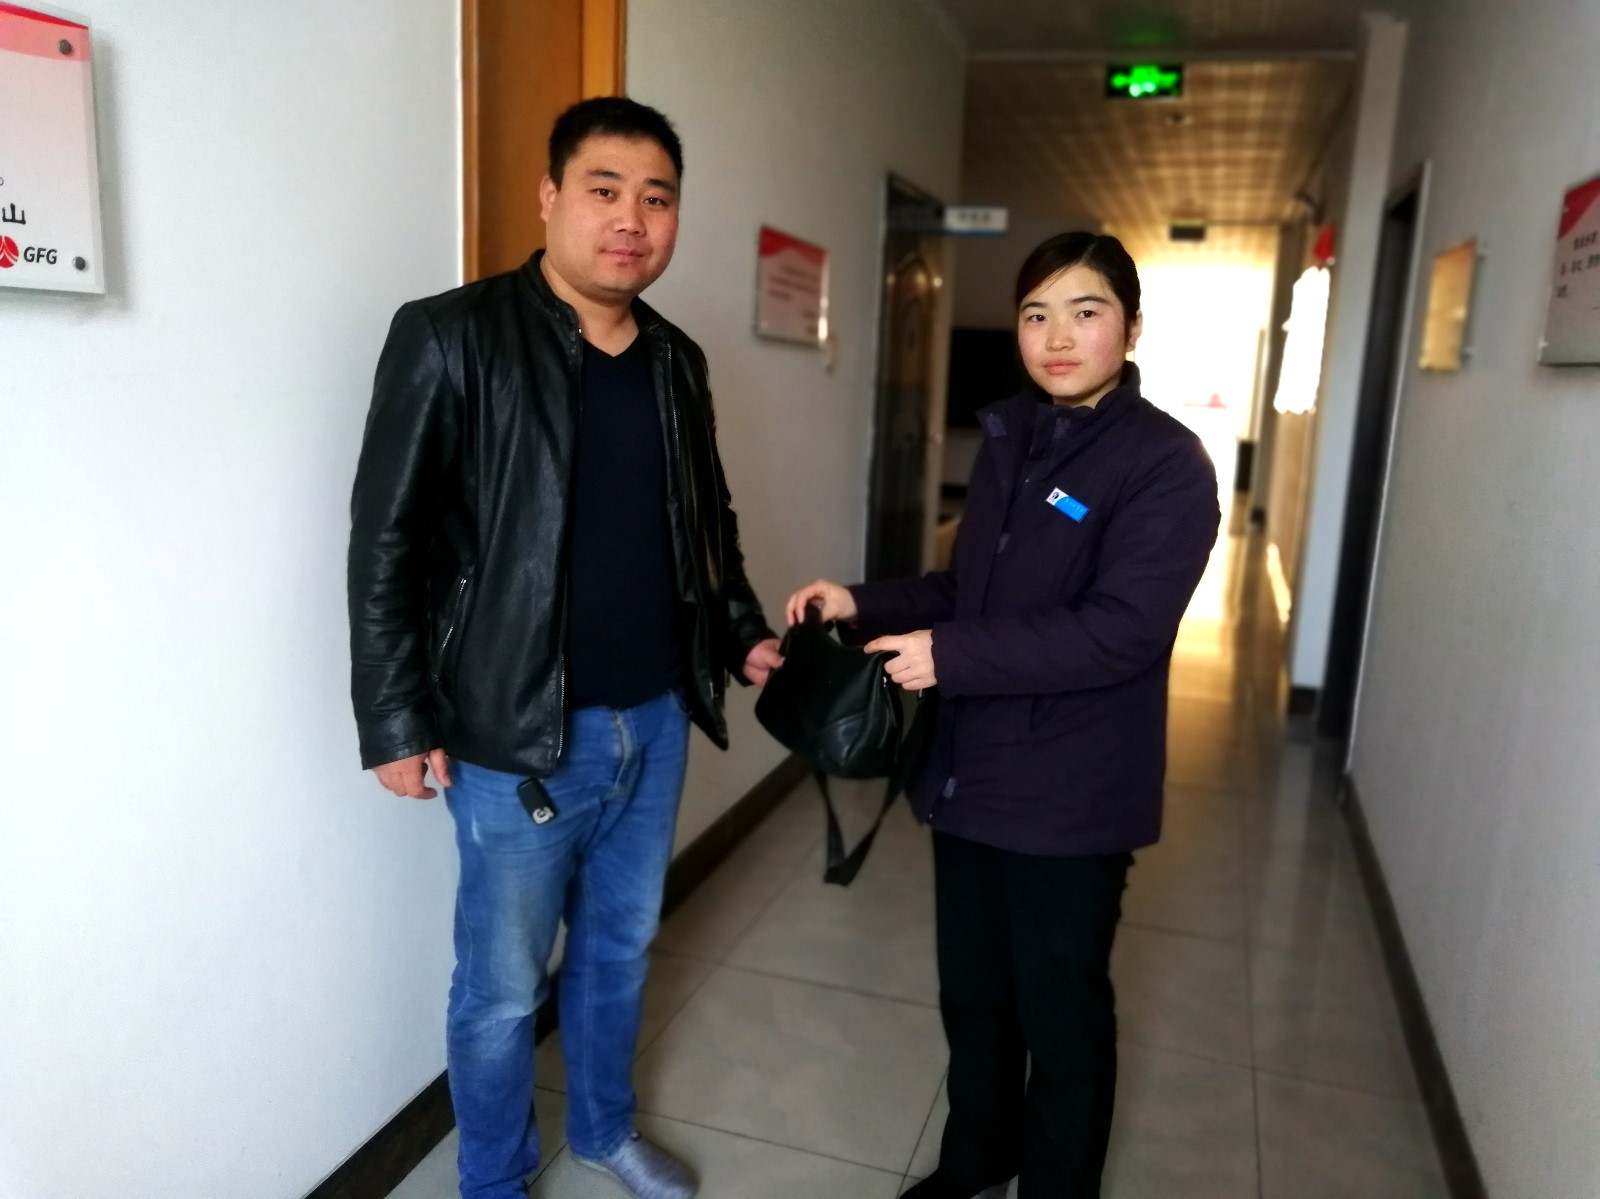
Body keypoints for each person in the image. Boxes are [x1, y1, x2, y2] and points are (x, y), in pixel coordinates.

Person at [348, 97, 782, 1199]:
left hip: (656, 719)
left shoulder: (676, 359)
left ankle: (602, 1129)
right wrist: (394, 717)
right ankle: (493, 1180)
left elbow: (707, 522)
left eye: (656, 197)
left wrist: (741, 634)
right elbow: (385, 536)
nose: (631, 218)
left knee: (619, 950)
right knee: (501, 988)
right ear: (548, 197)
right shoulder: (450, 335)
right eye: (604, 189)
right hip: (514, 734)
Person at [787, 233, 1220, 1199]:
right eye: (1036, 314)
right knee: (975, 996)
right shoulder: (1011, 436)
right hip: (969, 771)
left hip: (1071, 794)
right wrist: (861, 602)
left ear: (1131, 328)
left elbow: (1122, 631)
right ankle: (978, 1157)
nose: (1057, 337)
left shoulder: (1165, 464)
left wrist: (950, 657)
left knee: (1061, 1016)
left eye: (1085, 311)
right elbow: (965, 590)